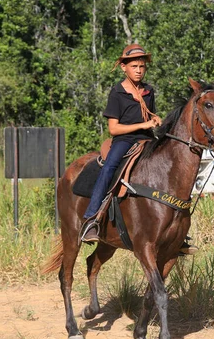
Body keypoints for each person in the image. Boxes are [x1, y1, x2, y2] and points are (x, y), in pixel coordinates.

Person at [80, 44, 197, 255]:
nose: (139, 70)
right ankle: (92, 219)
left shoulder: (148, 90)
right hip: (123, 141)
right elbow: (113, 128)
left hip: (146, 139)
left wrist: (154, 119)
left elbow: (148, 115)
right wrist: (142, 126)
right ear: (123, 67)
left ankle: (175, 232)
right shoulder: (117, 93)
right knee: (109, 169)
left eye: (142, 66)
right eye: (134, 66)